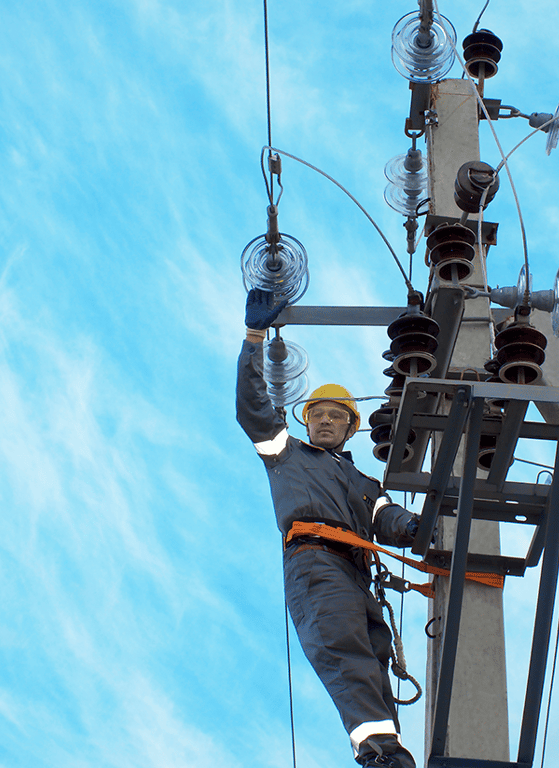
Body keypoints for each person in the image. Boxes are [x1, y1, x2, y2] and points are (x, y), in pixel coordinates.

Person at [237, 288, 421, 768]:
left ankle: (391, 750)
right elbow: (252, 408)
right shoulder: (286, 452)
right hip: (315, 561)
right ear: (305, 421)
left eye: (333, 416)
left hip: (357, 573)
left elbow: (390, 520)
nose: (322, 421)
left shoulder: (364, 482)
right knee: (344, 652)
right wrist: (254, 338)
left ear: (350, 426)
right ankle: (378, 754)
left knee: (375, 657)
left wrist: (427, 529)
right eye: (315, 415)